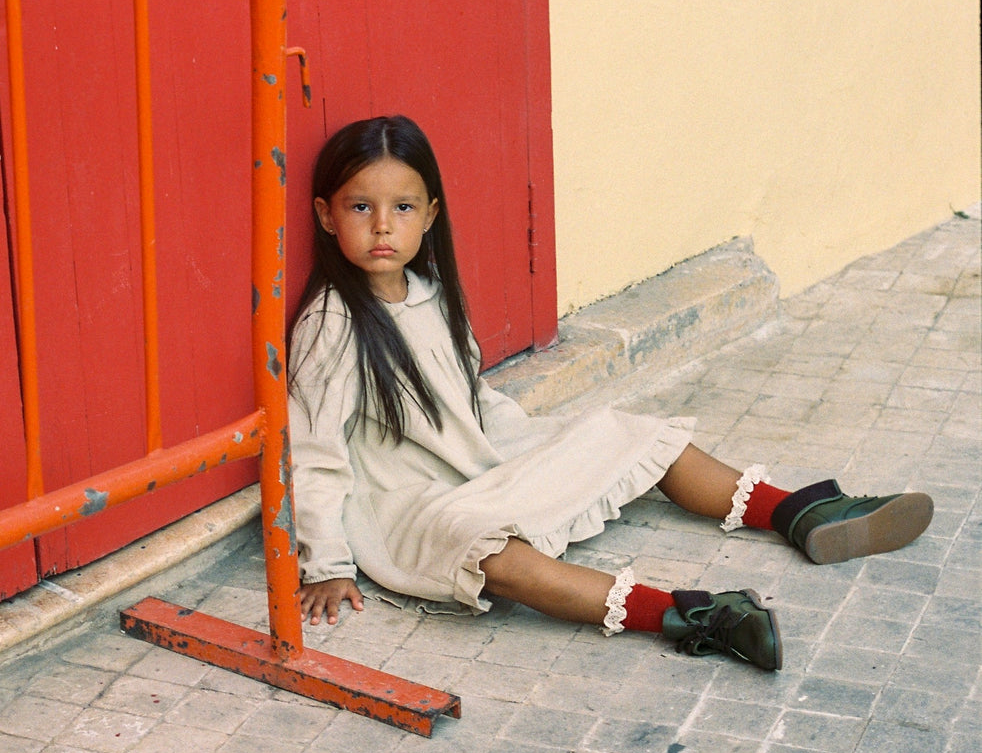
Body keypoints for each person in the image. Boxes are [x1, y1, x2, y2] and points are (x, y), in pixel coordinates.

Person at [287, 115, 934, 672]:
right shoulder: (330, 322)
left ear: (429, 216)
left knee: (624, 431)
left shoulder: (431, 295)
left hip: (483, 457)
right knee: (489, 554)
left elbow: (471, 399)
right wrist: (328, 565)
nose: (381, 227)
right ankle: (691, 615)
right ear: (325, 214)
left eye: (401, 208)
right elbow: (316, 455)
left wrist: (542, 447)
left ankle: (799, 511)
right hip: (410, 503)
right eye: (359, 207)